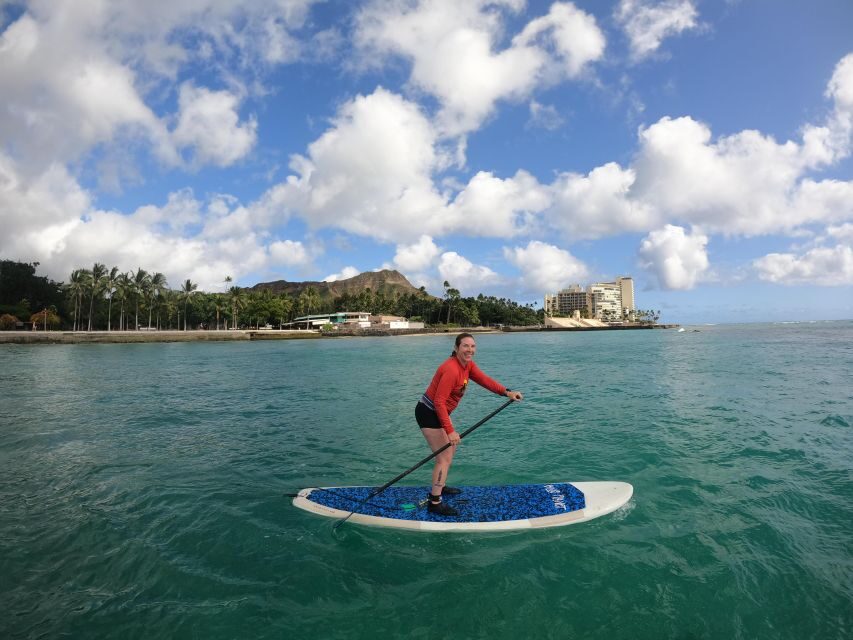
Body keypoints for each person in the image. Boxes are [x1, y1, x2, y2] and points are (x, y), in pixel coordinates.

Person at [415, 332, 523, 516]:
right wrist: (450, 431)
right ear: (456, 348)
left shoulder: (467, 365)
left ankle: (439, 486)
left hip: (438, 413)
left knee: (449, 452)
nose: (470, 350)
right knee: (444, 456)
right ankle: (435, 502)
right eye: (465, 346)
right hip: (429, 412)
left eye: (473, 346)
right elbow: (439, 402)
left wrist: (507, 392)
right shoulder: (451, 369)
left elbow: (484, 380)